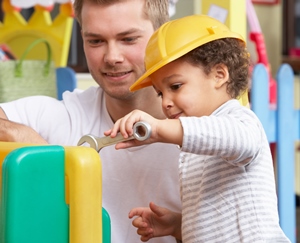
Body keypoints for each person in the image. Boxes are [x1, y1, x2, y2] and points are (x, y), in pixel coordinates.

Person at [0, 0, 182, 242]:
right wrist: (36, 147)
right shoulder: (65, 114)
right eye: (95, 41)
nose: (112, 57)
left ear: (161, 37)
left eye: (128, 39)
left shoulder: (211, 129)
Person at [106, 15, 291, 242]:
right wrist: (178, 225)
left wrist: (160, 129)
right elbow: (215, 222)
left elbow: (231, 138)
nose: (165, 102)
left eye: (176, 86)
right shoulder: (193, 151)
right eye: (160, 93)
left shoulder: (241, 121)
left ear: (219, 75)